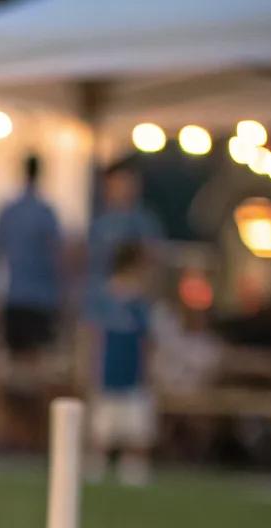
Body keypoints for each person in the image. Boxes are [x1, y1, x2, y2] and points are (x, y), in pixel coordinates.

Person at [84, 241, 156, 485]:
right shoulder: (105, 298)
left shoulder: (140, 303)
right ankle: (98, 467)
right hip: (109, 373)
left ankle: (132, 471)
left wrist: (148, 372)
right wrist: (91, 369)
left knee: (136, 430)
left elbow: (147, 342)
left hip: (133, 374)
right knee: (103, 429)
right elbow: (93, 338)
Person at [0, 154, 63, 356]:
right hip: (42, 298)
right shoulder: (46, 213)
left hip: (15, 296)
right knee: (38, 360)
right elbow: (58, 255)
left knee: (15, 360)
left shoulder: (9, 211)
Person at [86, 163, 162, 313]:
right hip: (104, 310)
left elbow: (153, 263)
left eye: (127, 183)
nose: (123, 189)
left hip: (136, 309)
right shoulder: (99, 225)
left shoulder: (145, 223)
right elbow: (93, 269)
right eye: (118, 183)